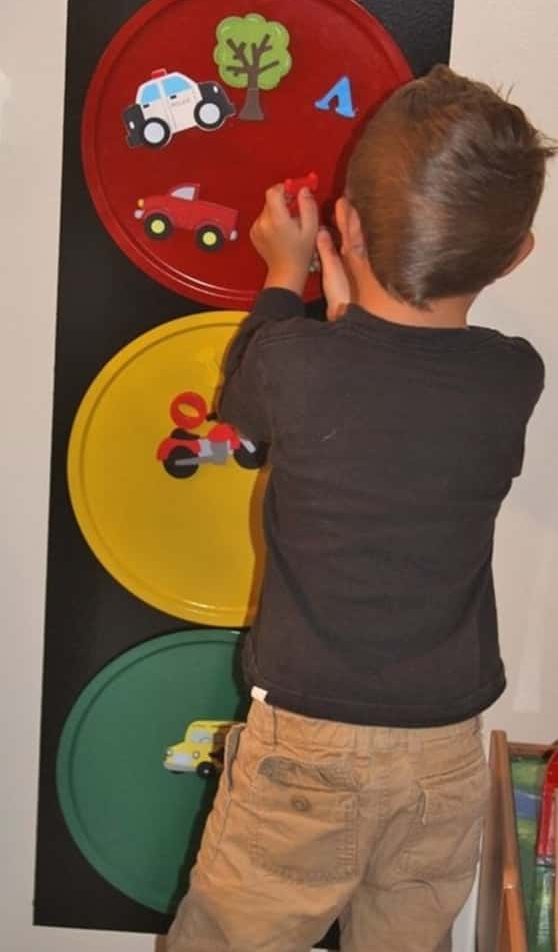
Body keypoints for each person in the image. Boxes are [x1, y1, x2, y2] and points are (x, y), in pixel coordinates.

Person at [165, 65, 554, 952]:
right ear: (516, 255)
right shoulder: (512, 377)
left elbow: (247, 402)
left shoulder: (297, 365)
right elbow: (400, 406)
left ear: (345, 222)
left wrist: (283, 272)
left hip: (306, 747)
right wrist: (346, 319)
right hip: (445, 750)